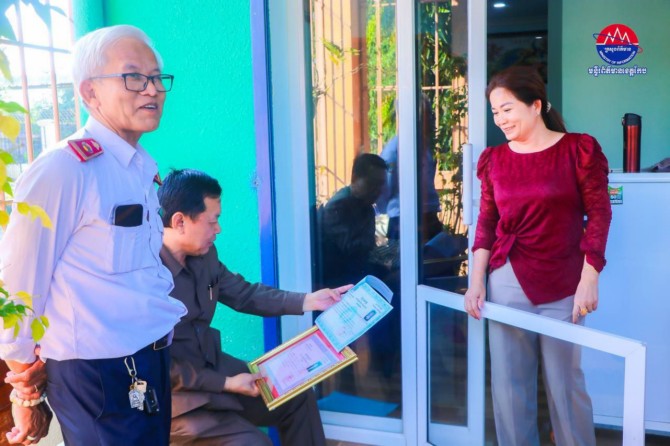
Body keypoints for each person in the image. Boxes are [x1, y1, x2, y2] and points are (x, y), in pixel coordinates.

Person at [0, 25, 187, 445]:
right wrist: (24, 389)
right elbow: (18, 282)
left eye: (157, 78)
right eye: (133, 77)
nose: (152, 90)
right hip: (97, 375)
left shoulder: (138, 167)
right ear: (89, 92)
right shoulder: (64, 169)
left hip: (147, 360)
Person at [464, 65, 612, 446]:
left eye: (507, 109)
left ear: (536, 105)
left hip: (564, 282)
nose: (500, 120)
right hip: (507, 280)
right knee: (509, 388)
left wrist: (589, 278)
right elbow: (486, 224)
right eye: (495, 112)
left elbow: (599, 214)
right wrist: (476, 281)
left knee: (566, 387)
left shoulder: (578, 149)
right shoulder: (495, 159)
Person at [157, 169, 352, 445]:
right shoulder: (145, 277)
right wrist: (225, 384)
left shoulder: (205, 256)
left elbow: (244, 294)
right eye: (213, 220)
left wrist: (309, 300)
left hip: (214, 368)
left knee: (297, 396)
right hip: (178, 400)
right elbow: (157, 367)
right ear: (179, 221)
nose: (218, 229)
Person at [376, 96, 442, 245]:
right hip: (404, 219)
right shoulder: (394, 149)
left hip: (428, 216)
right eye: (427, 114)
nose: (432, 119)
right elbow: (384, 189)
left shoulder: (424, 145)